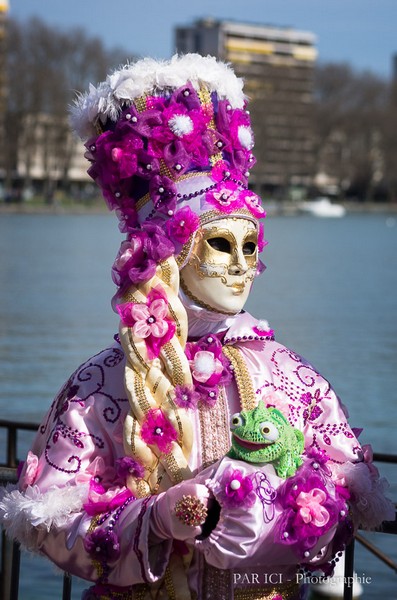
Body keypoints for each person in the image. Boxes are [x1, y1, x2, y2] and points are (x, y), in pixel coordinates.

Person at [0, 54, 393, 600]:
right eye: (220, 245)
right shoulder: (104, 382)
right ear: (172, 254)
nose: (239, 264)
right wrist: (157, 521)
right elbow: (52, 521)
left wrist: (280, 520)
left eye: (250, 246)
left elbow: (347, 494)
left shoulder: (290, 376)